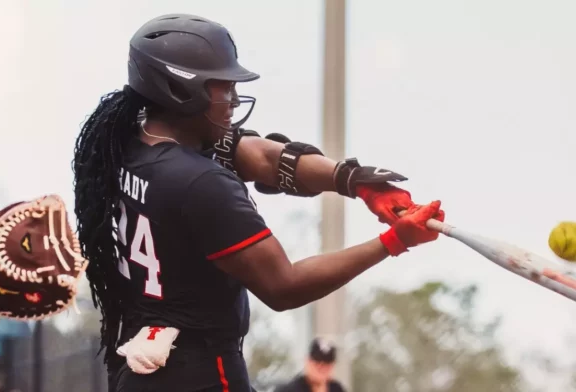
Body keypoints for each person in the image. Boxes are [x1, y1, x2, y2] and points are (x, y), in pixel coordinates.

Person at [72, 13, 445, 392]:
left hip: (137, 372)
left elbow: (262, 156)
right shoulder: (200, 182)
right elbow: (284, 286)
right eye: (223, 87)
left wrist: (354, 181)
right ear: (182, 91)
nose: (233, 99)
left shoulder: (121, 145)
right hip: (201, 373)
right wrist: (393, 242)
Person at [274, 337, 346, 392]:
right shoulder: (289, 389)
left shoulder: (337, 389)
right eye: (317, 363)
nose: (322, 368)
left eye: (327, 364)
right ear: (307, 362)